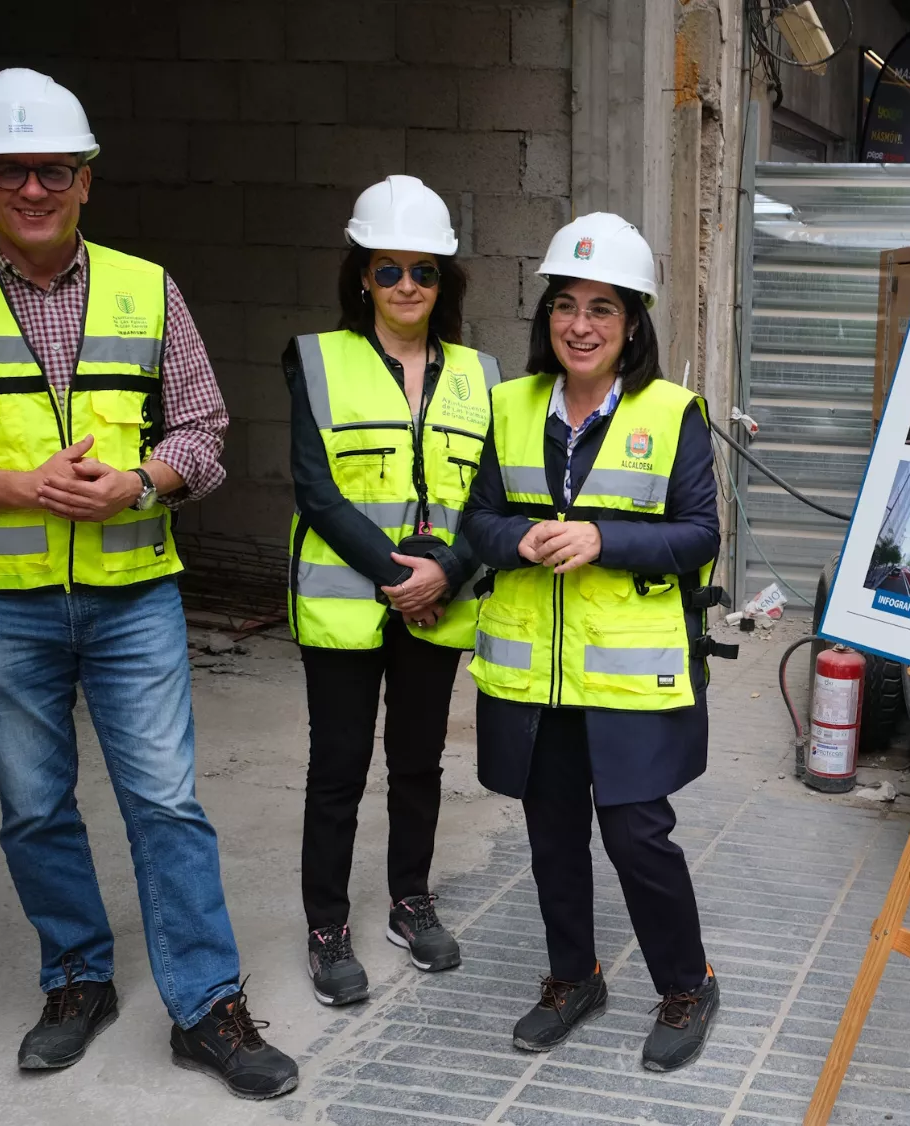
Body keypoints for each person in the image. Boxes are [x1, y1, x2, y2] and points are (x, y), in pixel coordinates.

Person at [0, 68, 295, 1098]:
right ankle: (76, 977)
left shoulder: (150, 288)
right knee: (32, 809)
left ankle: (205, 1006)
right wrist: (24, 486)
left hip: (132, 593)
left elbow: (205, 430)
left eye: (51, 166)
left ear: (86, 178)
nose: (32, 186)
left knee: (167, 802)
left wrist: (141, 482)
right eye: (8, 169)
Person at [461, 212, 734, 1073]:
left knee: (636, 836)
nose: (581, 325)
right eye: (566, 305)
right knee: (550, 833)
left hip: (627, 671)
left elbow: (699, 535)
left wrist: (603, 540)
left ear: (632, 325)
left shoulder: (672, 412)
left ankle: (688, 983)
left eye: (603, 309)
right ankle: (572, 977)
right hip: (537, 670)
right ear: (548, 317)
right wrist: (521, 542)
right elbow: (479, 520)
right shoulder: (510, 407)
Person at [282, 174, 500, 1005]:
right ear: (361, 276)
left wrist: (449, 570)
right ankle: (328, 927)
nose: (408, 285)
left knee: (417, 763)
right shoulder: (318, 357)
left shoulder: (482, 373)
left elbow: (492, 498)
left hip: (442, 598)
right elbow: (316, 489)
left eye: (425, 270)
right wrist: (397, 574)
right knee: (337, 767)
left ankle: (410, 901)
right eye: (389, 269)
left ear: (446, 281)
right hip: (346, 603)